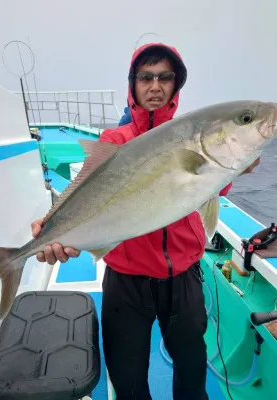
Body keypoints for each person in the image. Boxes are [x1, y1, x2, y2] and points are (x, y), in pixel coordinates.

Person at [31, 43, 260, 400]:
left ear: (176, 85)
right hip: (127, 281)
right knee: (129, 379)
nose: (155, 86)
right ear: (132, 84)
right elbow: (89, 194)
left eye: (165, 77)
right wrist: (50, 227)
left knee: (192, 373)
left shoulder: (194, 136)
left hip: (183, 278)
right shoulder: (114, 140)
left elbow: (210, 185)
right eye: (146, 77)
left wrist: (237, 158)